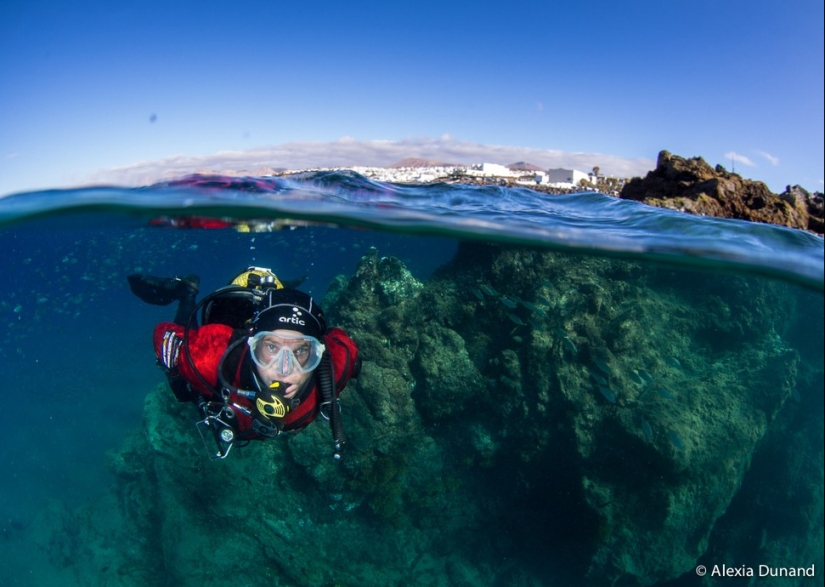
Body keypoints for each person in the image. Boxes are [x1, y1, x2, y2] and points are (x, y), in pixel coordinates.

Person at [128, 267, 360, 460]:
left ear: (318, 353)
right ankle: (187, 292)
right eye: (271, 347)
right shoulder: (209, 357)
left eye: (301, 351)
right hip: (226, 322)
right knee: (183, 383)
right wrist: (176, 364)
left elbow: (343, 342)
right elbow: (164, 335)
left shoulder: (334, 368)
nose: (285, 369)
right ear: (251, 345)